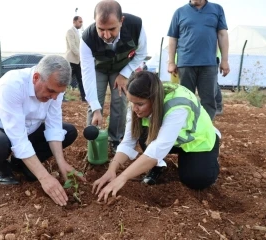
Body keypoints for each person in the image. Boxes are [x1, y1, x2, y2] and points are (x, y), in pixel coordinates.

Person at [0, 55, 85, 206]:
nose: (54, 97)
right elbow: (17, 137)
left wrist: (61, 162)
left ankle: (21, 164)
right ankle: (0, 168)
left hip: (28, 130)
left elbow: (54, 126)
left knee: (68, 131)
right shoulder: (12, 85)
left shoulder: (55, 89)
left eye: (58, 93)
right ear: (36, 78)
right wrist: (44, 177)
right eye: (51, 91)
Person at [93, 71, 221, 202]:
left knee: (197, 180)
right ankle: (158, 166)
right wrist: (111, 170)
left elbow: (158, 148)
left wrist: (122, 178)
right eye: (132, 103)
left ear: (154, 100)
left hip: (196, 141)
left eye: (140, 104)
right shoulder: (137, 103)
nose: (134, 108)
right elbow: (128, 141)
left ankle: (208, 160)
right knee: (143, 133)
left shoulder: (177, 106)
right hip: (170, 139)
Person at [80, 0, 147, 154]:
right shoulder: (87, 38)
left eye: (111, 29)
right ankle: (93, 141)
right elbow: (87, 74)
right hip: (99, 68)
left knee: (120, 100)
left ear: (121, 21)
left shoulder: (136, 26)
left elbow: (142, 54)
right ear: (95, 22)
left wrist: (124, 74)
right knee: (95, 101)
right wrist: (97, 109)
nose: (106, 35)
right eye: (101, 29)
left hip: (122, 67)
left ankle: (115, 140)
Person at [167, 0, 230, 120]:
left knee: (208, 100)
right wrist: (171, 62)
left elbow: (222, 34)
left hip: (209, 63)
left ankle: (205, 129)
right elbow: (173, 38)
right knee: (184, 98)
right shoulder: (179, 12)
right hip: (185, 63)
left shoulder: (217, 9)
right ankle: (185, 128)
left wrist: (225, 60)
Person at [65, 16, 86, 102]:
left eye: (82, 22)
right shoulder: (70, 31)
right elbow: (72, 46)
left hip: (77, 61)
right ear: (74, 22)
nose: (81, 23)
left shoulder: (79, 33)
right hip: (71, 60)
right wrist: (81, 55)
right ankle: (61, 97)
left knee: (81, 80)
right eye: (80, 22)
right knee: (66, 79)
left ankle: (84, 98)